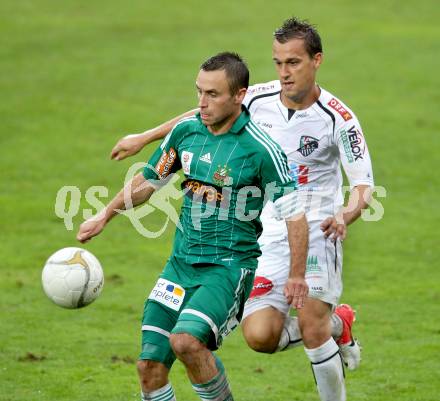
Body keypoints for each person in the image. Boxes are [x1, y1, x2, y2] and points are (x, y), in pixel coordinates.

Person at [110, 18, 374, 401]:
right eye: (278, 62)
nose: (284, 72)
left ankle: (325, 341)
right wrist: (145, 137)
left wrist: (345, 215)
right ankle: (340, 324)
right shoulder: (257, 96)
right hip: (266, 230)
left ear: (317, 60)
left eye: (294, 63)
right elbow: (200, 114)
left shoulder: (339, 119)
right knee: (260, 337)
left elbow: (363, 185)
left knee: (311, 326)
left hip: (317, 228)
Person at [77, 52, 309, 401]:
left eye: (212, 94)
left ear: (239, 95)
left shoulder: (261, 150)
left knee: (185, 341)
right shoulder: (186, 133)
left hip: (227, 269)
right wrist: (105, 214)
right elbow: (148, 181)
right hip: (180, 265)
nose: (202, 102)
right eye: (199, 92)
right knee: (148, 367)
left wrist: (296, 275)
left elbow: (295, 216)